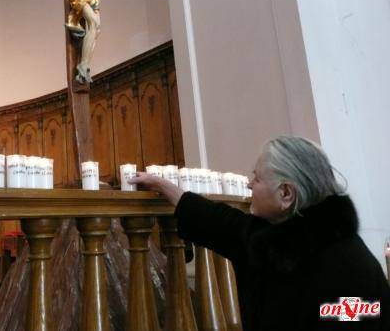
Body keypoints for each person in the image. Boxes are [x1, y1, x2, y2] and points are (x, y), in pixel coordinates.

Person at [130, 136, 390, 330]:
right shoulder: (269, 236)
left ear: (286, 194)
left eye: (257, 177)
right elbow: (217, 221)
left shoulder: (353, 272)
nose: (248, 182)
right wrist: (164, 186)